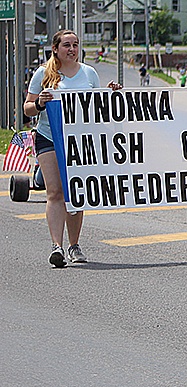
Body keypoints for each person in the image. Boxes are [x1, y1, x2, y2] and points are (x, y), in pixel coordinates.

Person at [24, 30, 123, 268]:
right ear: (55, 49)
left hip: (79, 140)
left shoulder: (89, 73)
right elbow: (27, 108)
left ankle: (74, 245)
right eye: (66, 45)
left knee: (75, 192)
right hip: (49, 137)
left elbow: (98, 106)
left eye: (75, 45)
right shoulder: (44, 74)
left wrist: (111, 93)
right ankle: (56, 246)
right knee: (55, 192)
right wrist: (39, 103)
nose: (72, 49)